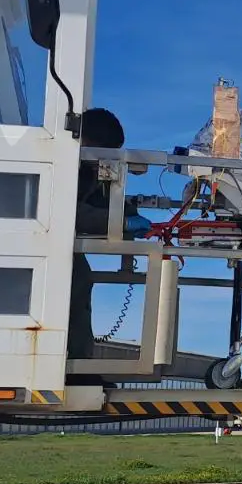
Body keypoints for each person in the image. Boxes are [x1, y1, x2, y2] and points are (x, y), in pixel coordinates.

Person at [70, 108, 149, 361]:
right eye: (105, 152)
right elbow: (66, 211)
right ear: (87, 141)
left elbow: (97, 201)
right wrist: (122, 222)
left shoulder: (85, 169)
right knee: (75, 281)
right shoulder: (63, 164)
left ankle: (77, 364)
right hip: (13, 242)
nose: (105, 162)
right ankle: (75, 366)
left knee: (79, 280)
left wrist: (128, 214)